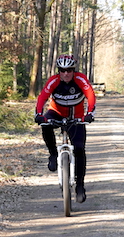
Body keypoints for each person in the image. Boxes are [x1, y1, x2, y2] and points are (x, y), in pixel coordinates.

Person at [34, 54, 96, 203]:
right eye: (62, 70)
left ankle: (80, 185)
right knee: (45, 124)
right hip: (56, 112)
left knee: (79, 149)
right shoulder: (53, 81)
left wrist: (90, 114)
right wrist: (38, 114)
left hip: (77, 116)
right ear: (59, 71)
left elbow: (90, 95)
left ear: (73, 70)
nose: (66, 73)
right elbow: (42, 97)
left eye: (69, 70)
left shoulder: (80, 79)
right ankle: (53, 154)